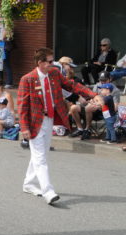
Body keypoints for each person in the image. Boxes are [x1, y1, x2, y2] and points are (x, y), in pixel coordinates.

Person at [18, 48, 96, 205]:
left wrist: (92, 94)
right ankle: (48, 192)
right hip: (34, 123)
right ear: (40, 63)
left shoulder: (54, 74)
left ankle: (29, 183)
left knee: (42, 155)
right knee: (40, 158)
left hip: (49, 120)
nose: (52, 64)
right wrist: (24, 127)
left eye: (52, 61)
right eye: (49, 61)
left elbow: (71, 85)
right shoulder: (27, 79)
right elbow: (22, 105)